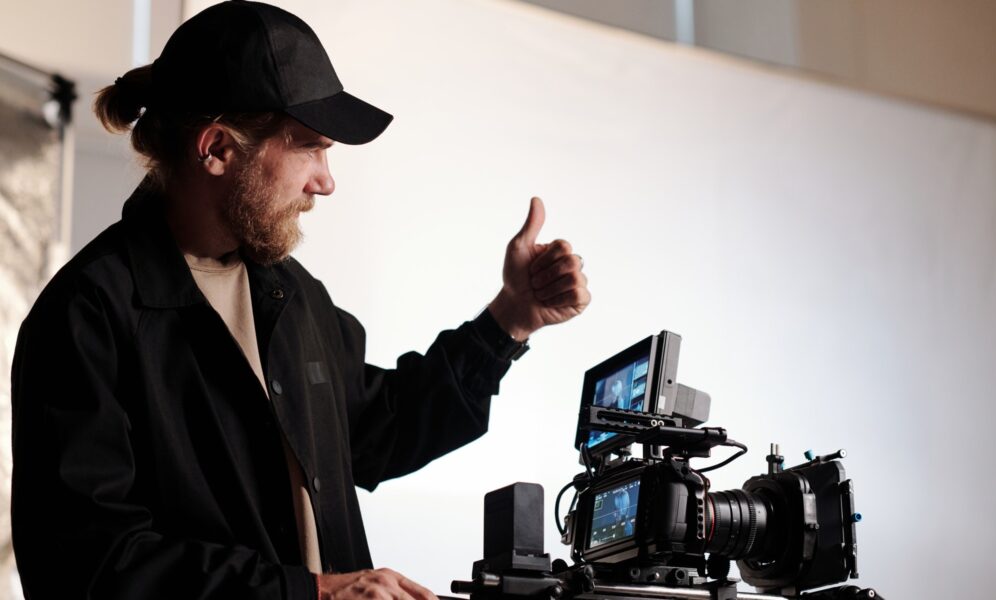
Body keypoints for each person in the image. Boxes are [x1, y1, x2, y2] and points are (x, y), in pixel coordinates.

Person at [9, 2, 590, 599]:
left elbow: (375, 429)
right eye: (309, 147)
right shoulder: (85, 316)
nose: (326, 180)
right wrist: (312, 593)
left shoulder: (293, 294)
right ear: (216, 149)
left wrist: (509, 322)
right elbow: (89, 565)